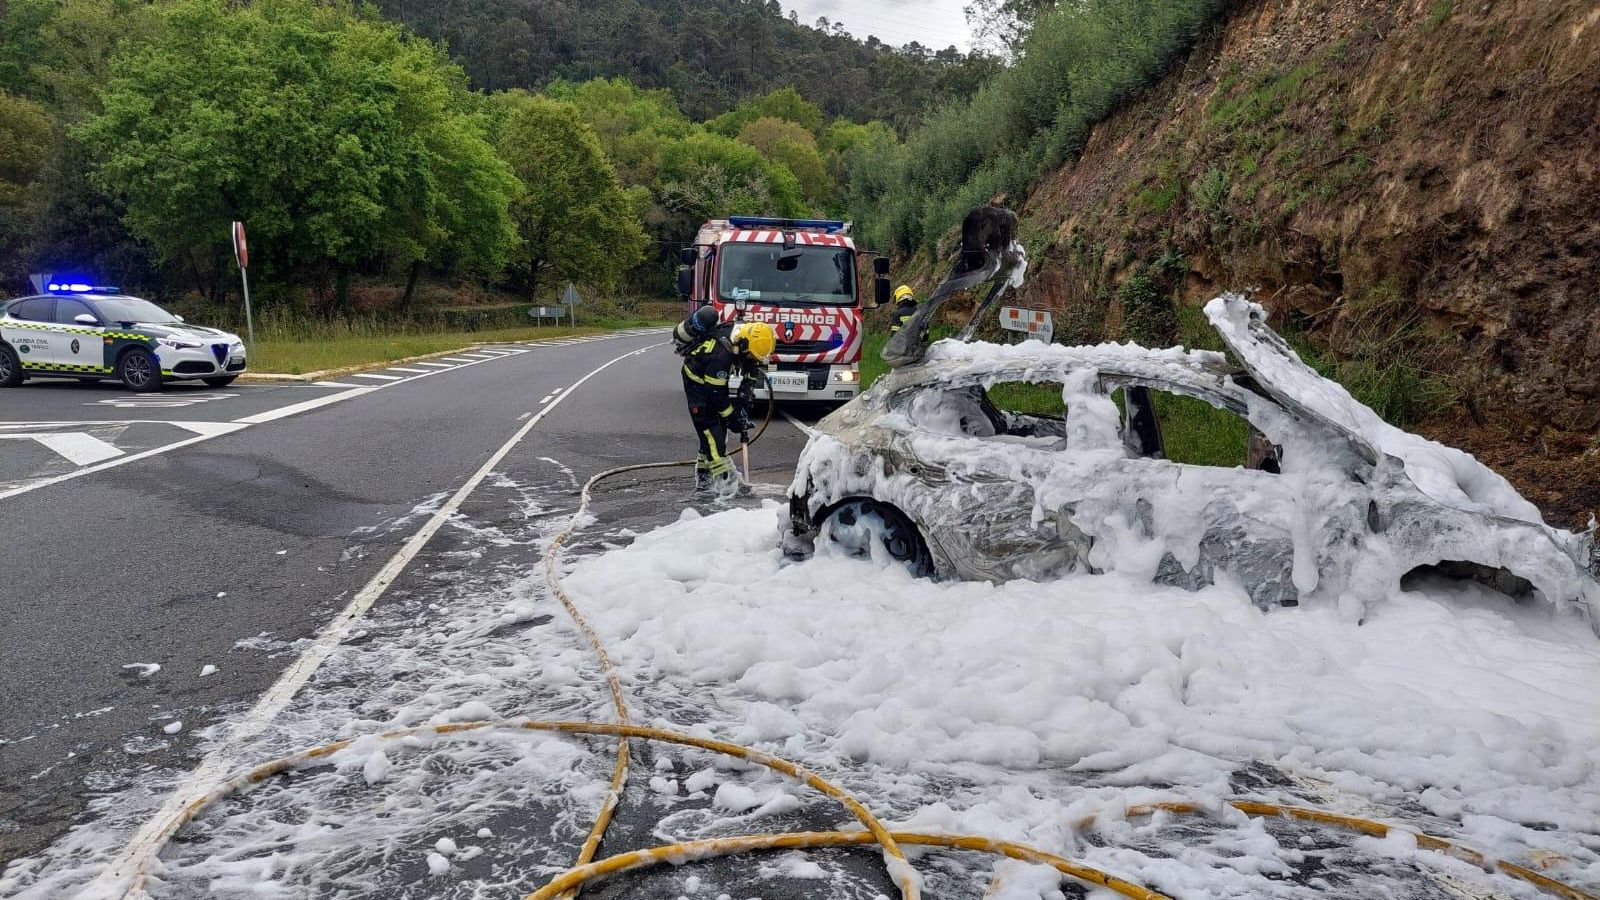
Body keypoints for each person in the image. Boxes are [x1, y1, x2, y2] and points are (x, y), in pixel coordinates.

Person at [680, 317, 776, 491]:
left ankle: (703, 478)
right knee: (712, 433)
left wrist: (746, 390)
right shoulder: (720, 356)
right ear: (744, 345)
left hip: (713, 384)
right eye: (750, 354)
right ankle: (728, 488)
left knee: (716, 431)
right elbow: (716, 395)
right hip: (698, 384)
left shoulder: (741, 338)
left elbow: (750, 363)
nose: (751, 358)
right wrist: (733, 418)